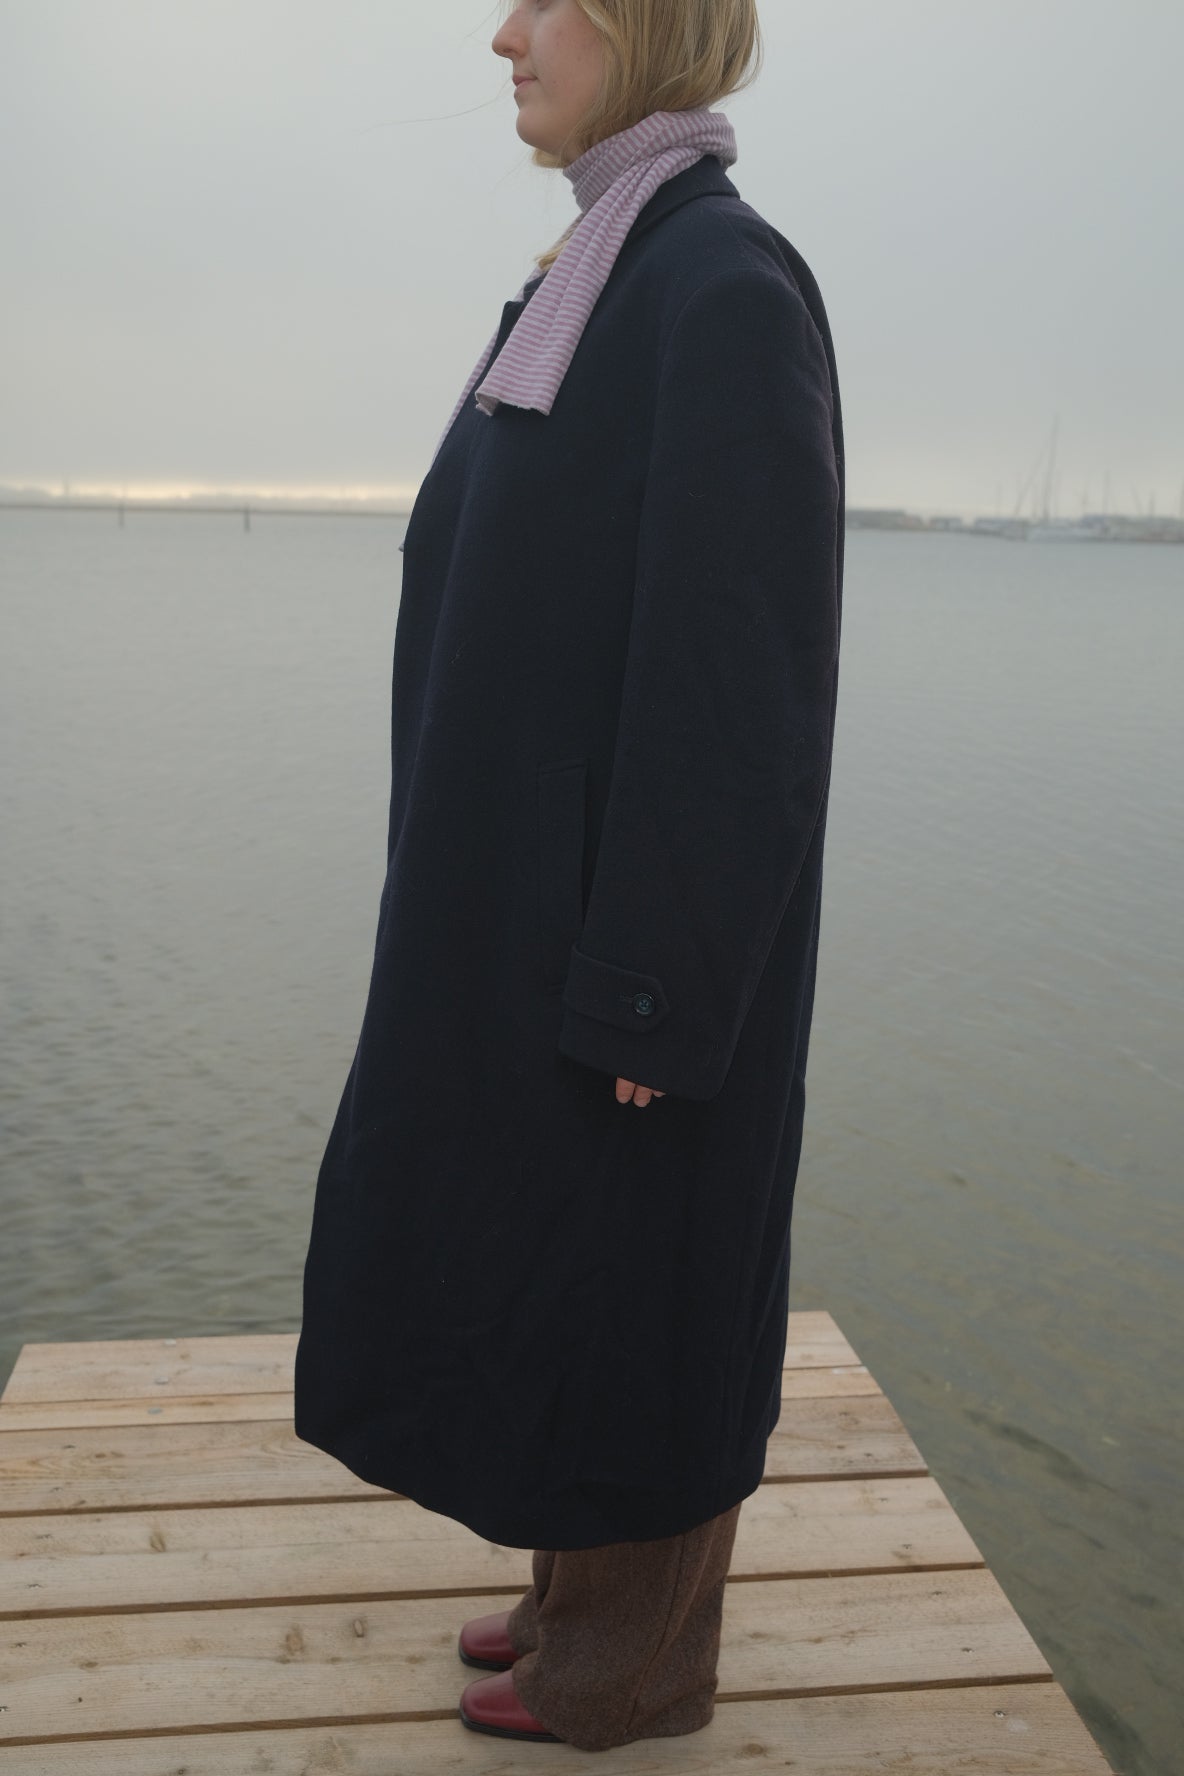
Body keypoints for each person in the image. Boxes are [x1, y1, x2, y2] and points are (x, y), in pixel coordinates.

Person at [293, 0, 844, 1753]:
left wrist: (658, 978)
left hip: (630, 927)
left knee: (642, 1285)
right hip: (541, 897)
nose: (504, 35)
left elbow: (737, 684)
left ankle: (634, 1672)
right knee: (564, 1260)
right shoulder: (615, 263)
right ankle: (571, 1603)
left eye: (548, 2)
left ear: (648, 25)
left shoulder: (720, 289)